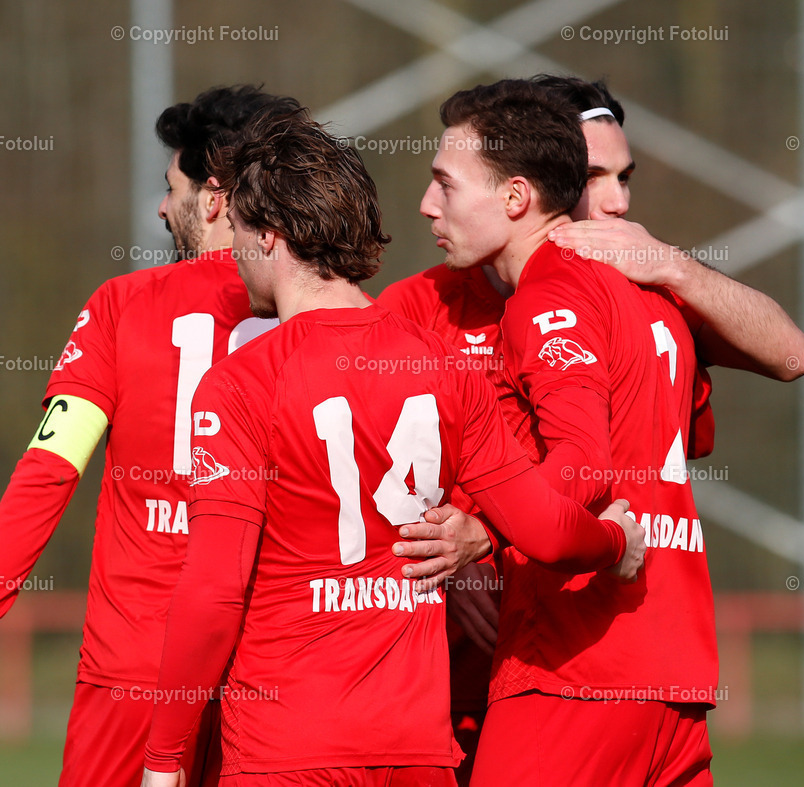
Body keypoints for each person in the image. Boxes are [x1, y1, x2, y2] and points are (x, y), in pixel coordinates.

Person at [140, 109, 645, 787]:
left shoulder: (241, 384)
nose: (232, 255)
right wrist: (616, 544)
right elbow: (548, 531)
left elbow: (211, 593)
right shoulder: (442, 364)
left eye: (237, 234)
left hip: (288, 750)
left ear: (271, 236)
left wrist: (164, 757)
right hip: (416, 751)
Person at [379, 76, 804, 784]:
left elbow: (586, 464)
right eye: (595, 177)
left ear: (522, 189)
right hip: (629, 671)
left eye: (623, 178)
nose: (617, 203)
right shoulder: (421, 308)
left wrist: (489, 532)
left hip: (575, 656)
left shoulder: (601, 293)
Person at [0, 85, 299, 787]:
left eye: (173, 188)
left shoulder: (120, 307)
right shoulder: (314, 313)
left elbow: (48, 471)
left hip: (134, 673)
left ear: (215, 197)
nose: (163, 208)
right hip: (268, 676)